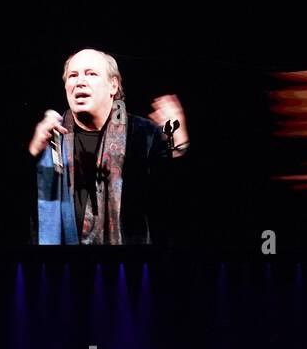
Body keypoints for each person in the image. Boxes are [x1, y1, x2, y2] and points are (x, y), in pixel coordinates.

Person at [30, 48, 189, 245]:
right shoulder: (51, 135)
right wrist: (33, 153)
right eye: (73, 75)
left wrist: (179, 145)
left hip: (131, 267)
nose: (80, 81)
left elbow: (173, 204)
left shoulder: (142, 133)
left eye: (91, 74)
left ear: (113, 85)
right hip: (61, 267)